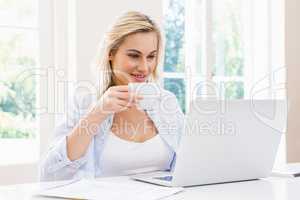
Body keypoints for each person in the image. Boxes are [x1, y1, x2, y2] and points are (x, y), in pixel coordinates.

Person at [39, 11, 184, 181]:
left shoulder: (166, 101)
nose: (145, 67)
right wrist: (97, 114)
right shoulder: (85, 102)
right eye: (134, 55)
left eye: (151, 56)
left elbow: (191, 162)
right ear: (111, 52)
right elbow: (49, 175)